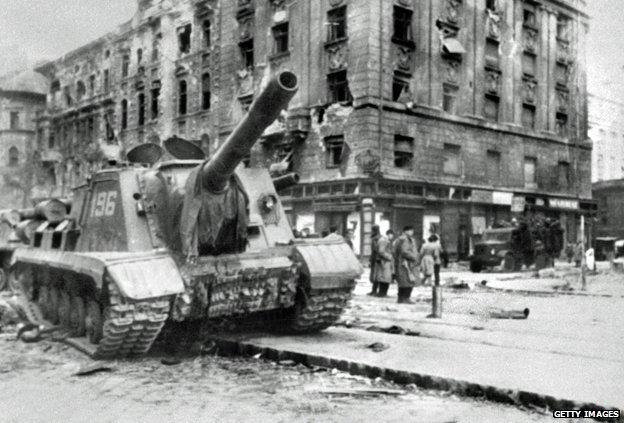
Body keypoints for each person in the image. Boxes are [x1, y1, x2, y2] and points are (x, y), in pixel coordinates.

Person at [394, 225, 420, 304]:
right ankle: (406, 297)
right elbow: (405, 251)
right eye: (410, 230)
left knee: (402, 281)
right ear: (405, 231)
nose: (412, 232)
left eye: (412, 230)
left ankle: (400, 298)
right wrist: (414, 257)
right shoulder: (405, 240)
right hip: (407, 263)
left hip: (401, 262)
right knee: (409, 280)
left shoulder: (400, 239)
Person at [373, 231, 394, 297]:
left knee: (385, 277)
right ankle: (382, 293)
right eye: (392, 235)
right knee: (384, 277)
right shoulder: (383, 240)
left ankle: (383, 293)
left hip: (385, 261)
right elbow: (381, 251)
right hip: (384, 261)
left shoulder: (385, 240)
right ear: (389, 234)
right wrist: (389, 257)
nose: (392, 236)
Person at [368, 225, 381, 296]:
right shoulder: (378, 237)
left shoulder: (376, 238)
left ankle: (374, 290)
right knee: (375, 275)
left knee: (375, 275)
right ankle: (374, 290)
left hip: (376, 258)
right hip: (375, 257)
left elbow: (375, 249)